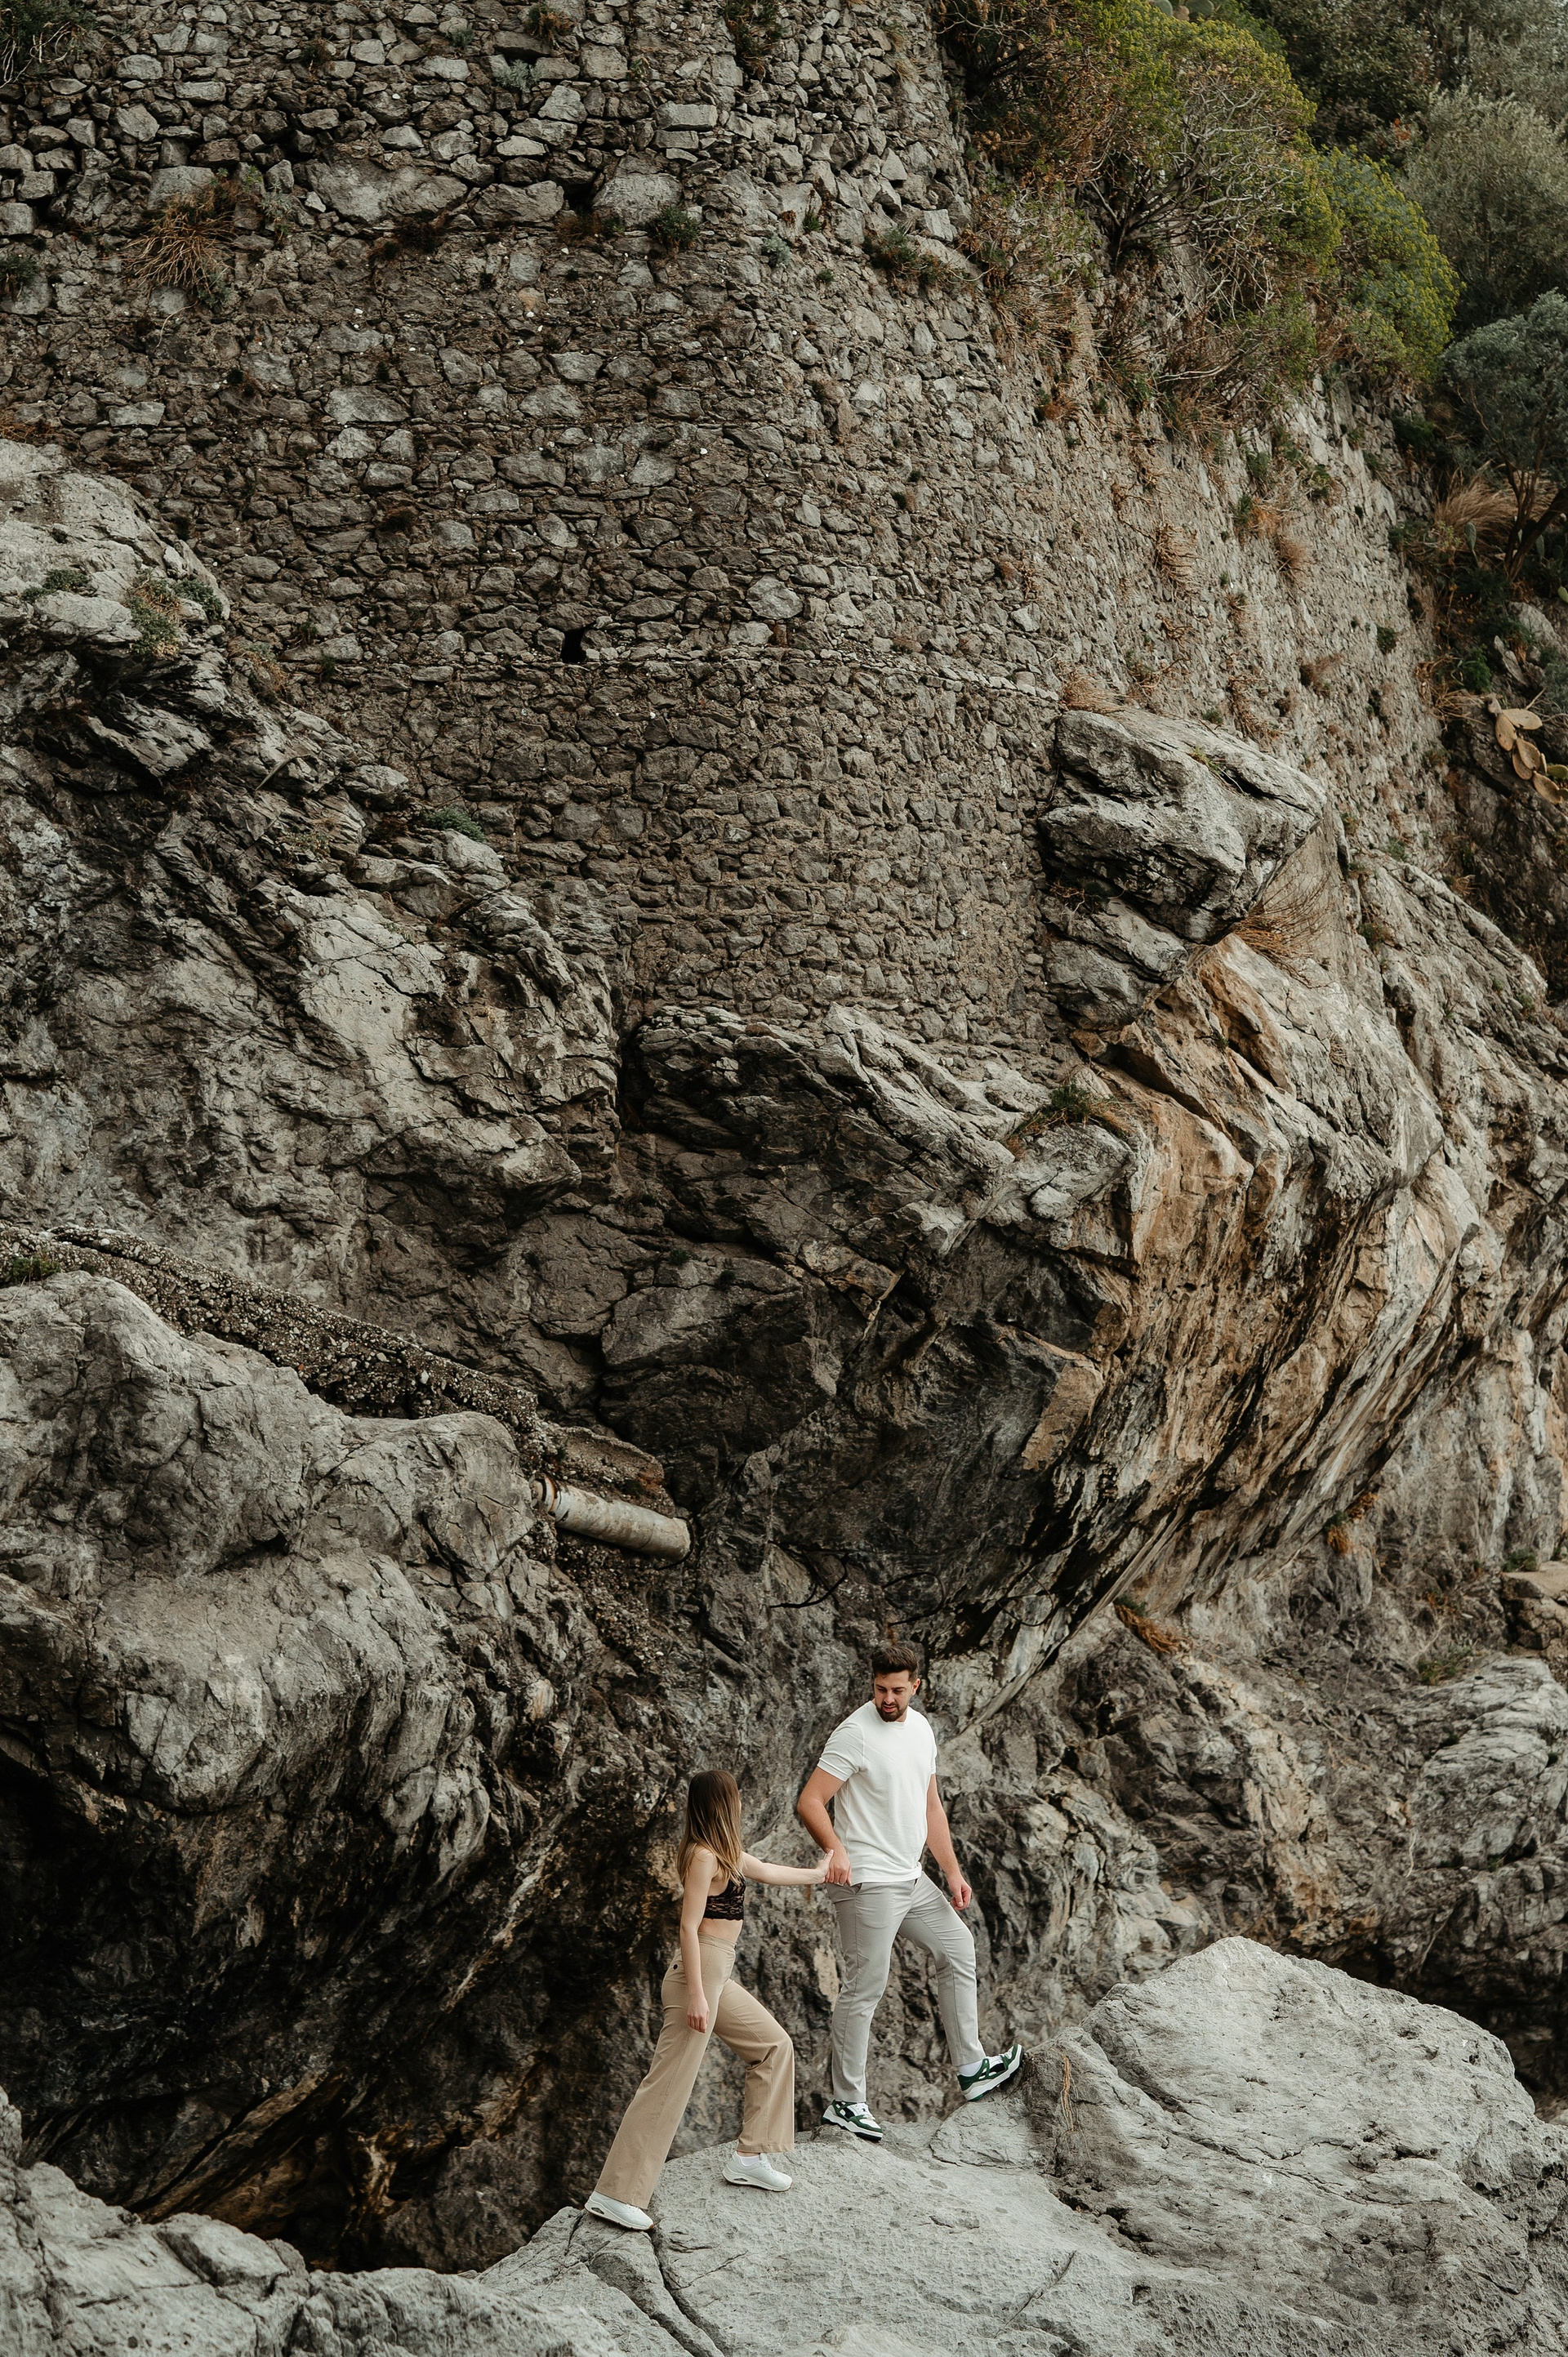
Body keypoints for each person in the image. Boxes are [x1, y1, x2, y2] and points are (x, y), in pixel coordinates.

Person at [796, 1641, 1022, 2141]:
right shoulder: (854, 1734)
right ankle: (847, 2103)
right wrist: (835, 1849)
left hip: (910, 1876)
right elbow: (810, 1801)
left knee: (958, 1948)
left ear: (915, 1686)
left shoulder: (920, 1728)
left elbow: (931, 1806)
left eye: (897, 1690)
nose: (888, 1699)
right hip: (867, 1881)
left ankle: (972, 2068)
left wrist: (952, 1872)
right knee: (865, 1985)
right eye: (881, 1689)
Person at [586, 1767, 827, 2232]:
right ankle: (615, 2194)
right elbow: (688, 1925)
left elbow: (769, 1871)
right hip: (696, 1976)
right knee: (667, 2084)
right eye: (735, 1797)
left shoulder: (726, 1853)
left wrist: (819, 1873)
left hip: (718, 1973)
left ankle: (750, 2157)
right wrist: (698, 1995)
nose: (740, 1804)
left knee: (774, 2046)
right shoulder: (702, 1855)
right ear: (722, 1803)